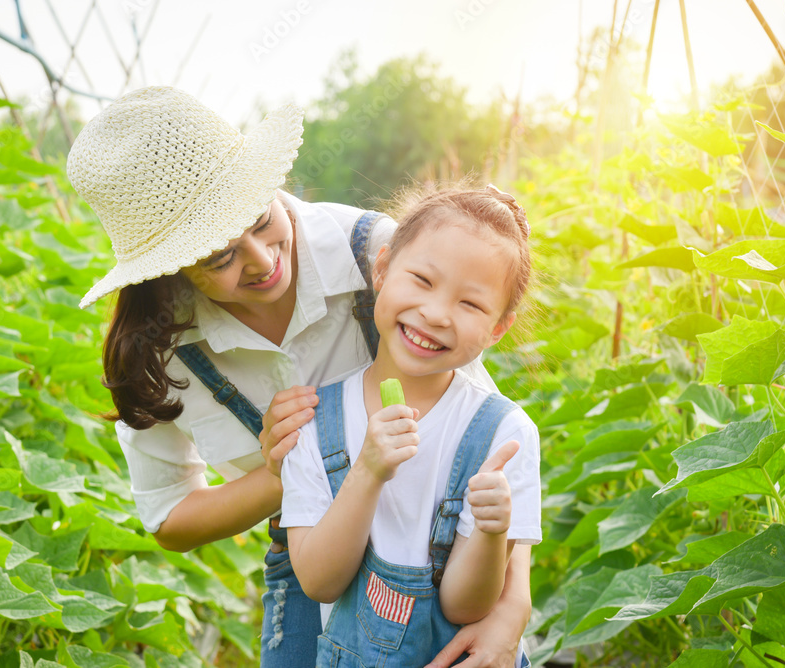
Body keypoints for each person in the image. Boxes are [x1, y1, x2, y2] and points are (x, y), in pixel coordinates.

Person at [67, 86, 534, 667]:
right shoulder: (162, 350)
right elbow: (168, 518)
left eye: (262, 220)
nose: (262, 260)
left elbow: (485, 446)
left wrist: (512, 607)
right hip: (312, 551)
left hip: (445, 544)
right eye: (219, 256)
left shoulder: (382, 255)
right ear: (170, 269)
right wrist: (283, 473)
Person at [281, 187, 541, 667]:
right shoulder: (316, 421)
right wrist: (368, 471)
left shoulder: (505, 434)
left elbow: (465, 605)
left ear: (498, 329)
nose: (437, 313)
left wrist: (492, 529)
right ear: (381, 270)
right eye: (422, 279)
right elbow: (319, 581)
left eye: (471, 304)